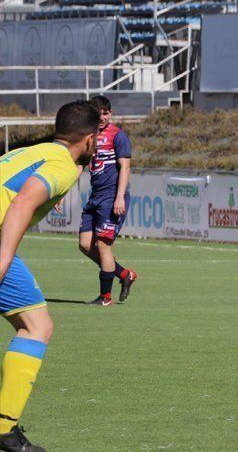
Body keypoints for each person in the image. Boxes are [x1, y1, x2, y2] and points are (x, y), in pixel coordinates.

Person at [0, 100, 99, 451]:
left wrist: (46, 194)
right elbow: (22, 201)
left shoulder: (38, 151)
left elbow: (19, 186)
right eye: (97, 137)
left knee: (35, 324)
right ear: (88, 140)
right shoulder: (63, 166)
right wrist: (3, 259)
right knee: (36, 327)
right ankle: (4, 429)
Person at [78, 96, 137, 306]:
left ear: (110, 113)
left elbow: (125, 167)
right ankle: (123, 274)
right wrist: (62, 191)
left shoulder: (118, 136)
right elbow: (79, 165)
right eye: (99, 113)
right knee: (85, 245)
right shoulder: (88, 136)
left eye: (106, 112)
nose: (102, 117)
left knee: (103, 244)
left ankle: (105, 298)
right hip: (95, 197)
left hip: (112, 197)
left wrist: (120, 196)